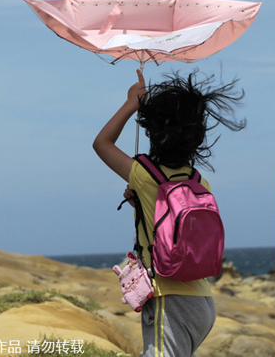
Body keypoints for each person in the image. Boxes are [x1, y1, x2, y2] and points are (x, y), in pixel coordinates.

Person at [93, 68, 246, 357]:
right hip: (201, 301)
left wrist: (130, 103)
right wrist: (141, 204)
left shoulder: (144, 175)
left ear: (152, 131)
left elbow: (102, 144)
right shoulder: (198, 181)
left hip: (169, 300)